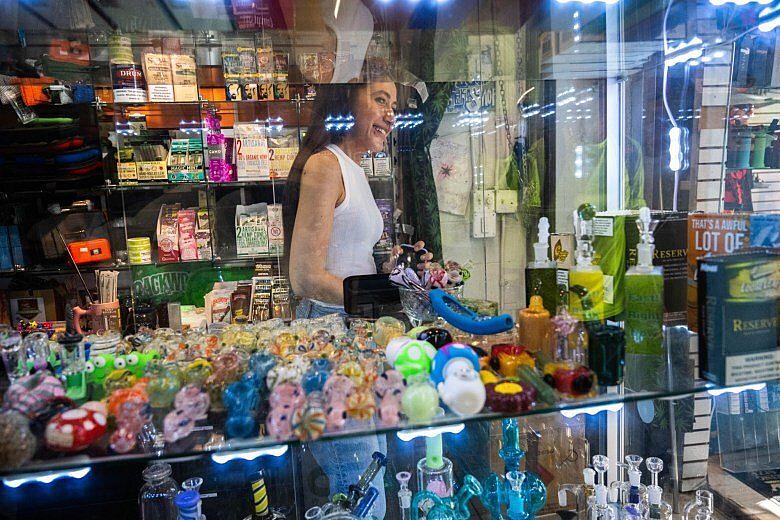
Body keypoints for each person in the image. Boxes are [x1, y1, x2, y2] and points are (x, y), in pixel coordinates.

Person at [283, 74, 431, 515]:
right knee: (358, 484)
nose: (391, 113)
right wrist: (387, 295)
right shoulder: (324, 166)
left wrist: (397, 274)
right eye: (380, 100)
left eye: (393, 102)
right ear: (347, 101)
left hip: (353, 338)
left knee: (366, 476)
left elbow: (347, 260)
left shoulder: (352, 166)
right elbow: (305, 277)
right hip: (331, 339)